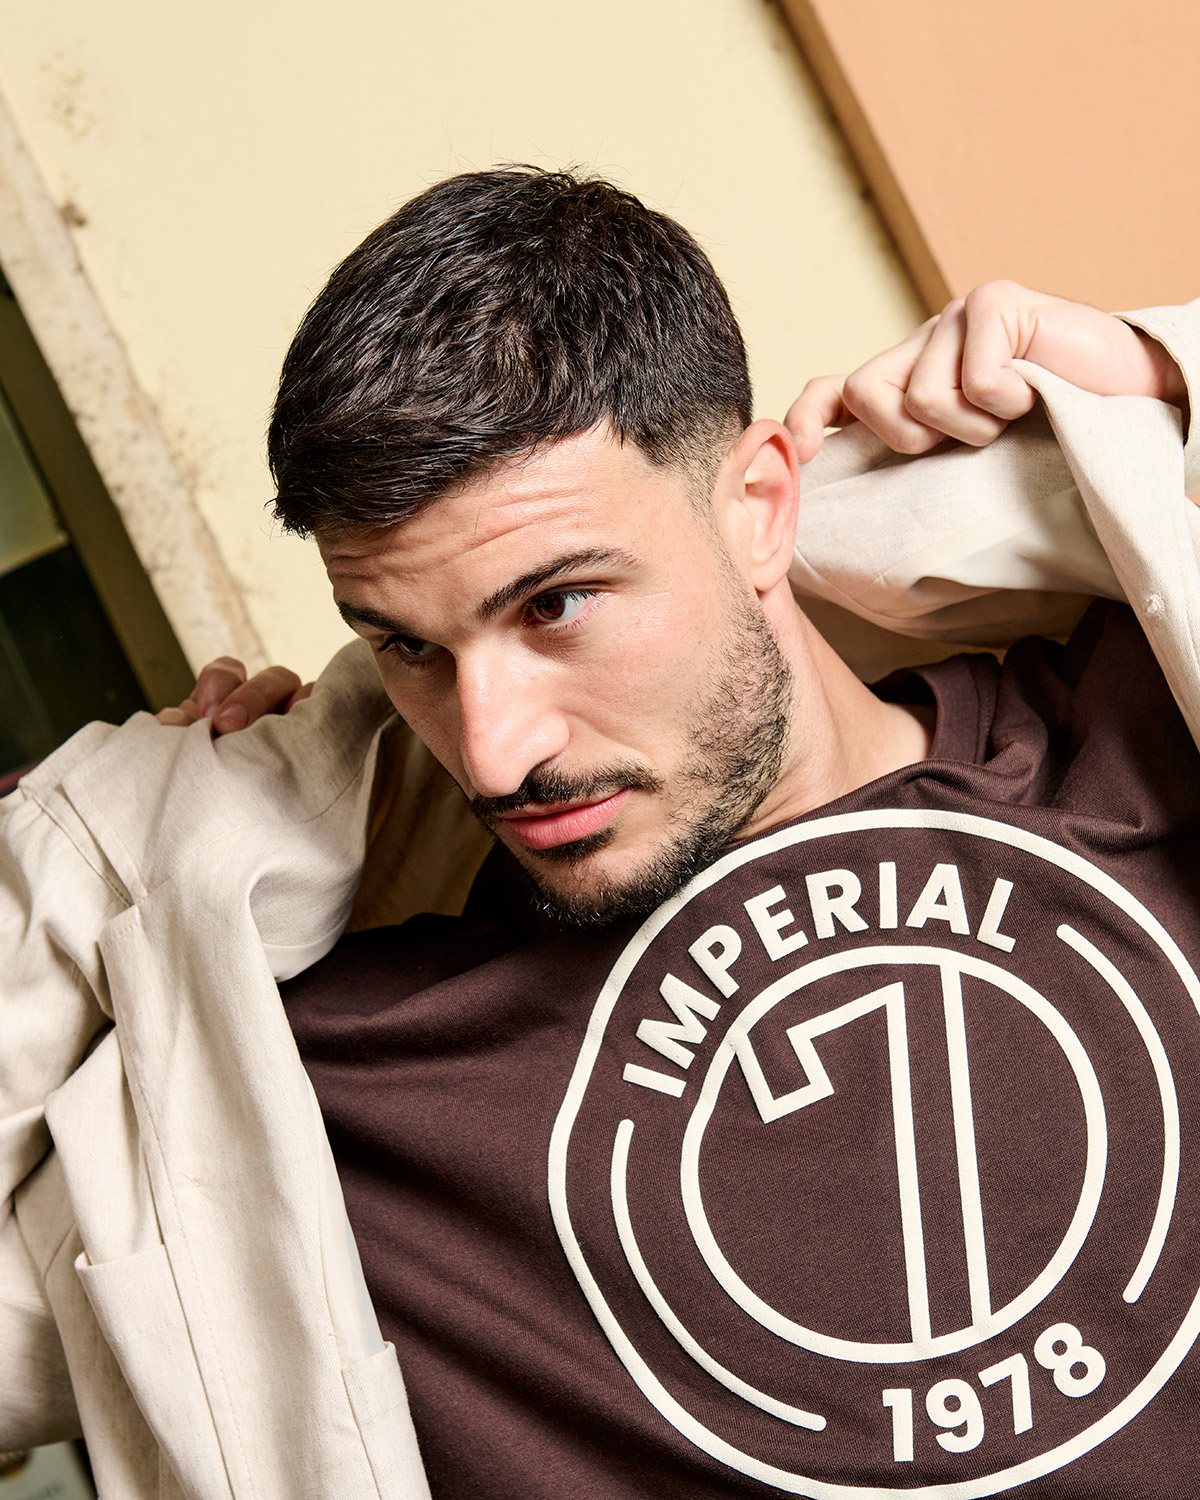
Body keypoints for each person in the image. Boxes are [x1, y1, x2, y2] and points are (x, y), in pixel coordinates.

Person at [3, 167, 1199, 1499]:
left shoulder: (1138, 740)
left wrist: (1163, 382)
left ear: (759, 507)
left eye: (556, 605)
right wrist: (108, 843)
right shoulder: (329, 1093)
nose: (493, 751)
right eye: (408, 647)